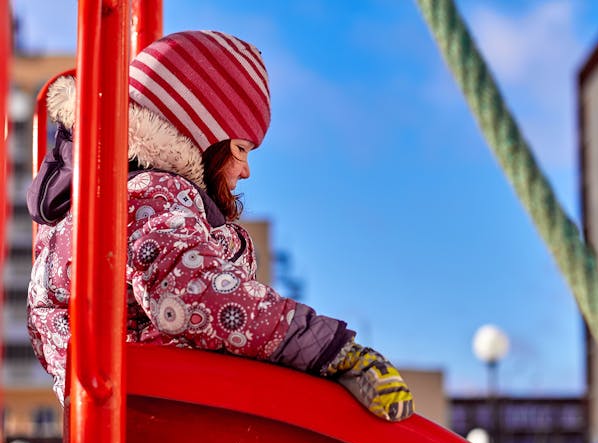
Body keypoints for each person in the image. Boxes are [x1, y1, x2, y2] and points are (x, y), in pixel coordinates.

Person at [26, 30, 414, 422]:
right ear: (199, 135)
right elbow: (196, 293)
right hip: (151, 395)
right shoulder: (152, 195)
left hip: (129, 393)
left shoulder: (113, 196)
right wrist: (326, 349)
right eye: (241, 149)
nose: (245, 170)